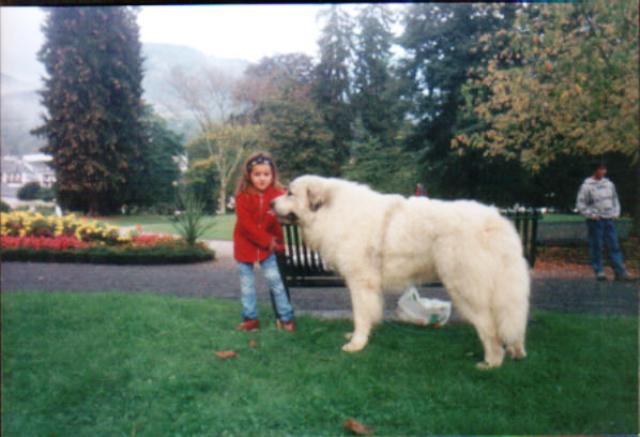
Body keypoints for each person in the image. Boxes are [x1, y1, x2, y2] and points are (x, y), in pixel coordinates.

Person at [233, 151, 296, 331]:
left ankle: (285, 318)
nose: (262, 178)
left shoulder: (277, 196)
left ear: (273, 175)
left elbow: (277, 224)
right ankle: (250, 319)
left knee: (276, 282)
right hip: (245, 247)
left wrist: (280, 243)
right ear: (249, 176)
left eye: (266, 174)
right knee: (247, 286)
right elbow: (246, 226)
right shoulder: (242, 197)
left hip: (268, 249)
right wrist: (268, 241)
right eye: (257, 174)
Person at [576, 162, 633, 281]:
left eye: (604, 169)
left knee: (614, 245)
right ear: (595, 171)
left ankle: (619, 271)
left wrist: (616, 212)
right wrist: (591, 214)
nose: (603, 172)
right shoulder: (587, 186)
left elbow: (615, 199)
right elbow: (581, 204)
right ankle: (599, 271)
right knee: (597, 245)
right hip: (596, 220)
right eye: (600, 169)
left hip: (608, 218)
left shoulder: (609, 184)